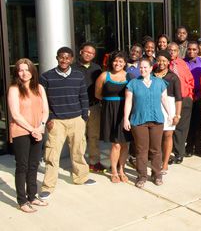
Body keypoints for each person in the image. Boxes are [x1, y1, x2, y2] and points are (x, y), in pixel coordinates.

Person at [39, 47, 96, 200]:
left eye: (67, 58)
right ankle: (48, 186)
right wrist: (48, 119)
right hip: (56, 122)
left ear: (71, 59)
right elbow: (42, 101)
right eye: (61, 58)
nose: (64, 61)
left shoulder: (78, 76)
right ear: (57, 58)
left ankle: (81, 177)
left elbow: (83, 97)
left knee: (78, 151)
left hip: (76, 119)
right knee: (52, 155)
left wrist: (84, 117)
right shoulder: (46, 77)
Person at [8, 59, 49, 212]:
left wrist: (40, 127)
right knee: (22, 166)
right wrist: (33, 129)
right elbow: (16, 115)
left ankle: (32, 196)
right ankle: (22, 201)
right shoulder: (14, 89)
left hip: (38, 130)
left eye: (27, 69)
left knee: (33, 165)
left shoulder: (39, 88)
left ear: (32, 71)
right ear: (17, 73)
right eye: (21, 70)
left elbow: (45, 111)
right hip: (21, 132)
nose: (25, 73)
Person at [123, 58, 172, 188]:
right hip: (139, 121)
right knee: (141, 150)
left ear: (151, 68)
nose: (143, 70)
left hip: (156, 120)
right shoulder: (133, 83)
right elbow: (128, 102)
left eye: (145, 67)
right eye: (141, 68)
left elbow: (164, 99)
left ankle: (157, 174)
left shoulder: (160, 82)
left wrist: (170, 114)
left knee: (156, 149)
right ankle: (141, 176)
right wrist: (126, 118)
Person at [95, 51, 133, 183]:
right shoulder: (104, 75)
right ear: (111, 62)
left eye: (121, 61)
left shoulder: (129, 76)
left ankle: (122, 170)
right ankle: (114, 171)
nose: (118, 64)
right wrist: (110, 103)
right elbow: (98, 94)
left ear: (124, 63)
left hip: (124, 111)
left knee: (124, 143)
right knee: (115, 144)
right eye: (115, 61)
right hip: (110, 112)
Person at [72, 42, 104, 173]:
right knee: (78, 138)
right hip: (78, 108)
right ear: (81, 52)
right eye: (86, 52)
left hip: (94, 106)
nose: (88, 54)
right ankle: (79, 165)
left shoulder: (97, 69)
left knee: (94, 136)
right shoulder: (72, 68)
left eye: (91, 53)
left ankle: (94, 162)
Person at [153, 50, 182, 174]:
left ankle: (165, 163)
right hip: (154, 106)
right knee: (155, 137)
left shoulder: (173, 77)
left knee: (167, 135)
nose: (161, 63)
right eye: (159, 60)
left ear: (168, 62)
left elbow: (178, 97)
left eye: (164, 61)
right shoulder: (151, 74)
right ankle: (156, 161)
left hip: (169, 107)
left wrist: (177, 115)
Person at [167, 42, 194, 164]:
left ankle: (179, 153)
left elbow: (190, 80)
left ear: (178, 52)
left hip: (184, 99)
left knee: (182, 128)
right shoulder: (162, 64)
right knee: (170, 127)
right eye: (170, 50)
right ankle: (168, 152)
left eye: (174, 50)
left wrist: (189, 95)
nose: (172, 52)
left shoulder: (182, 64)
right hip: (169, 100)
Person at [184, 41, 201, 156]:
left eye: (194, 49)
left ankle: (199, 148)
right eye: (189, 49)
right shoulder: (182, 63)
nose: (191, 51)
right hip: (187, 97)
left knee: (199, 124)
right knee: (188, 124)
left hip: (200, 97)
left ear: (198, 50)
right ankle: (189, 148)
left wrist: (198, 96)